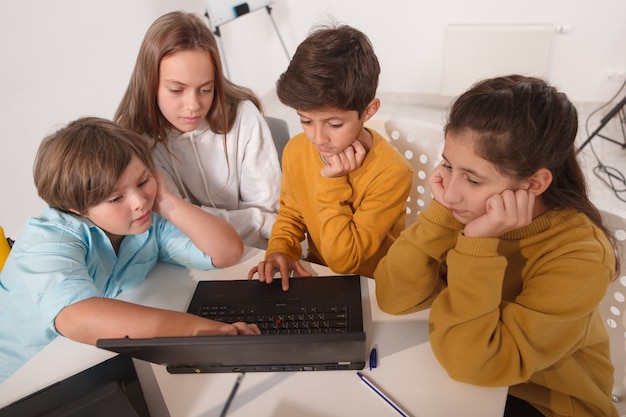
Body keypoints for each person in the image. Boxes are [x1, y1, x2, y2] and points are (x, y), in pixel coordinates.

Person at [374, 75, 620, 417]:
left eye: (473, 179)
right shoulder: (464, 207)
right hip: (465, 378)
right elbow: (394, 296)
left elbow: (473, 364)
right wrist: (442, 215)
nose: (451, 191)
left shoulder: (581, 255)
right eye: (447, 164)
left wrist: (478, 244)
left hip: (543, 400)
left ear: (534, 183)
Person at [0, 117, 260, 383]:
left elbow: (227, 251)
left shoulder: (146, 221)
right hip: (18, 379)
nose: (139, 202)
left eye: (142, 181)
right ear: (75, 208)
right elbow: (75, 317)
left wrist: (166, 200)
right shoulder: (48, 240)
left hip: (88, 360)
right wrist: (200, 330)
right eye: (115, 198)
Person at [248, 24, 414, 290]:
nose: (318, 138)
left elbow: (344, 260)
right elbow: (292, 213)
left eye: (334, 124)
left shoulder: (392, 172)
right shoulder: (297, 149)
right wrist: (281, 249)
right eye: (305, 120)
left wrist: (331, 181)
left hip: (374, 285)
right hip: (320, 271)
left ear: (369, 110)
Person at [114, 11, 280, 249]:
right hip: (187, 258)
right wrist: (255, 219)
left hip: (256, 254)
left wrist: (260, 219)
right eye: (176, 90)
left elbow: (271, 213)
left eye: (205, 89)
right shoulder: (137, 141)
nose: (193, 106)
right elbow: (173, 227)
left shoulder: (244, 117)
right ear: (150, 84)